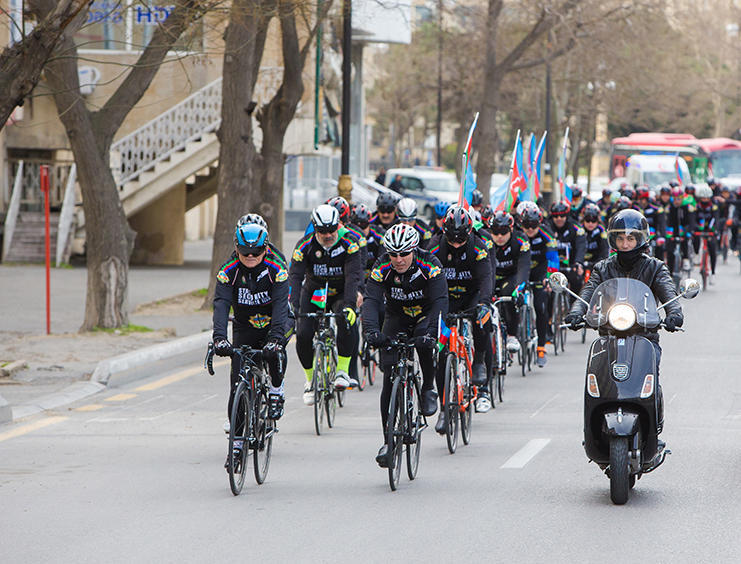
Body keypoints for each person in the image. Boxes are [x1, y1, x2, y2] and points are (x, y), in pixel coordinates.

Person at [564, 209, 684, 436]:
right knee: (596, 380)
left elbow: (669, 292)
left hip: (645, 336)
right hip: (609, 335)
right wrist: (576, 312)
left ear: (640, 239)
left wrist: (674, 314)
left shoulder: (655, 267)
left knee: (650, 377)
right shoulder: (603, 267)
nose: (625, 243)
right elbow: (588, 291)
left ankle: (653, 426)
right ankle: (592, 430)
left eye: (630, 238)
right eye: (620, 238)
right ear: (613, 240)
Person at [363, 223, 447, 467]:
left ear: (414, 249)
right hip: (397, 316)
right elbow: (371, 301)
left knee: (423, 344)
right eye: (393, 254)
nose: (398, 259)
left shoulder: (430, 265)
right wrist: (371, 331)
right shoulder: (381, 267)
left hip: (425, 315)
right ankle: (388, 442)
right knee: (389, 377)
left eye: (404, 254)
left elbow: (441, 301)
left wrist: (432, 333)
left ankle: (428, 387)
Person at [213, 223, 291, 463]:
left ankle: (276, 390)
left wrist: (276, 339)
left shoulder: (276, 270)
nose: (250, 257)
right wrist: (219, 338)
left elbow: (280, 307)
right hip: (245, 325)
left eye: (256, 252)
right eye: (245, 252)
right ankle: (236, 446)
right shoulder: (228, 271)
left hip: (276, 323)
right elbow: (221, 304)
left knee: (273, 352)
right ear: (236, 249)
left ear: (265, 249)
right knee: (237, 385)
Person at [289, 205, 363, 402]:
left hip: (340, 291)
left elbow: (353, 276)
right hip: (314, 292)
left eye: (332, 229)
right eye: (322, 231)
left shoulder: (350, 243)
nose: (328, 235)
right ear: (315, 228)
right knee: (303, 334)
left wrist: (350, 305)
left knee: (346, 319)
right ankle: (310, 381)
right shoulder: (304, 245)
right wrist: (292, 306)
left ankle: (342, 371)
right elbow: (295, 277)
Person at [429, 205, 494, 416]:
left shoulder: (479, 247)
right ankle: (443, 408)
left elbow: (486, 278)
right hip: (446, 299)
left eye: (461, 240)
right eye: (452, 240)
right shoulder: (434, 247)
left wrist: (484, 303)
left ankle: (480, 361)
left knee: (483, 320)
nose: (456, 244)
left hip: (471, 296)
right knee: (440, 353)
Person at [517, 201, 558, 367]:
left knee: (541, 307)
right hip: (521, 271)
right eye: (527, 225)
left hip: (540, 271)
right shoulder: (517, 234)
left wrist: (549, 277)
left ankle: (541, 346)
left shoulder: (546, 234)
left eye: (534, 225)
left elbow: (553, 258)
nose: (530, 229)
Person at [490, 210, 532, 355]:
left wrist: (520, 289)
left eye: (504, 231)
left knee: (508, 295)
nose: (499, 236)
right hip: (492, 276)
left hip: (511, 276)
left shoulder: (521, 240)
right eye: (495, 232)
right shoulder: (485, 242)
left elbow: (524, 267)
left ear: (511, 229)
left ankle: (512, 336)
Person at [547, 201, 586, 296]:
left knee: (576, 281)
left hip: (571, 264)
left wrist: (578, 262)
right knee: (548, 292)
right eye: (556, 216)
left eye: (562, 216)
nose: (559, 219)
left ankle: (575, 308)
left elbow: (581, 246)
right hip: (553, 265)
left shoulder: (576, 228)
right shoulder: (547, 227)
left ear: (567, 216)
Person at [692, 183, 719, 283]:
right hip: (699, 229)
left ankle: (712, 272)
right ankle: (696, 255)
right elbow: (693, 219)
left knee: (712, 248)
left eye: (707, 198)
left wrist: (715, 230)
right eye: (703, 198)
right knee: (694, 239)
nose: (705, 200)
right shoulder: (696, 206)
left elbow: (716, 219)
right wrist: (694, 229)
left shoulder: (714, 206)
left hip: (710, 230)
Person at [581, 203, 609, 272]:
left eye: (593, 220)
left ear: (597, 221)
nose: (590, 223)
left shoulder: (602, 230)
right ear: (583, 220)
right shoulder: (579, 229)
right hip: (581, 263)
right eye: (587, 220)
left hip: (596, 262)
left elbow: (604, 249)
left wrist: (601, 263)